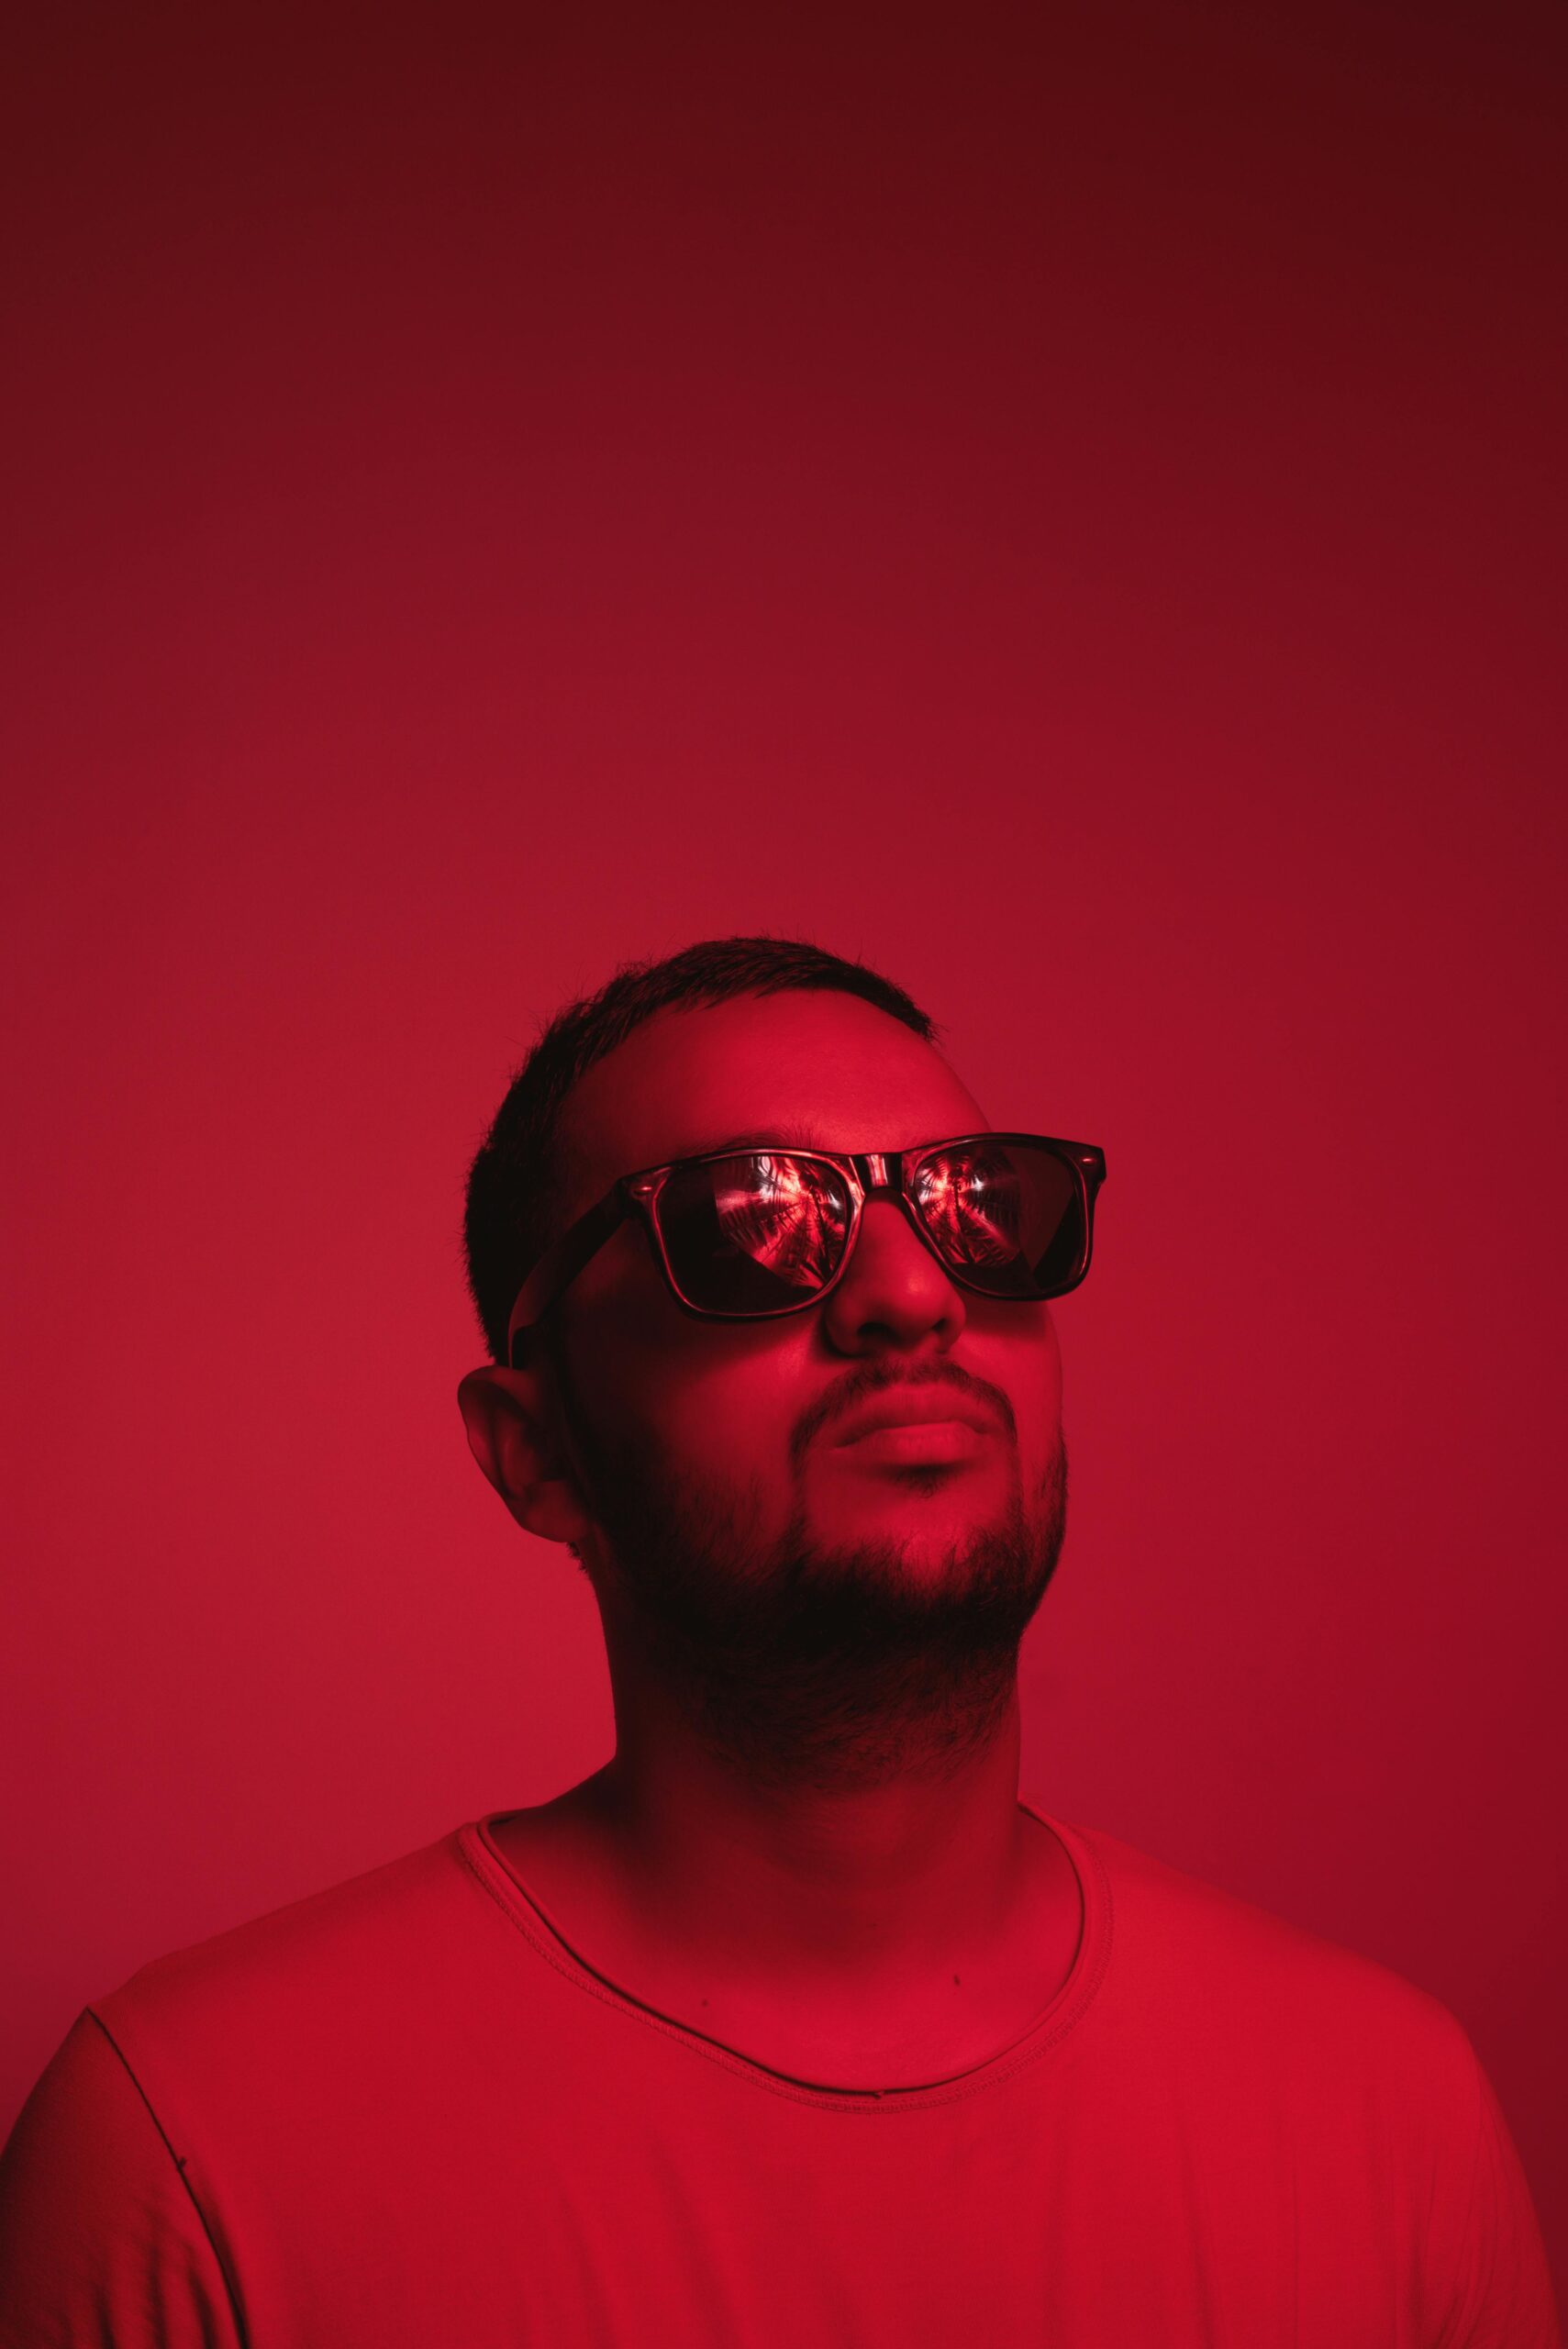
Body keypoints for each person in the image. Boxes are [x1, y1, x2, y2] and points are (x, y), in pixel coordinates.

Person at [0, 934, 1557, 2347]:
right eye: (751, 1224)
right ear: (535, 1452)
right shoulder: (187, 2155)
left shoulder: (1388, 2120)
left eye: (977, 1206)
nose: (908, 1295)